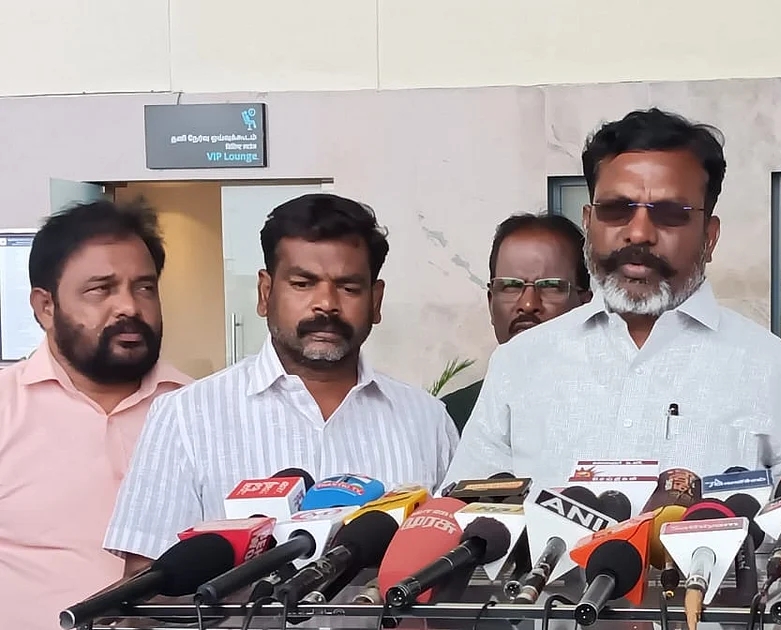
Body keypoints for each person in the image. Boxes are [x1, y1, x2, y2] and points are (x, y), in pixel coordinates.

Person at [445, 108, 781, 486]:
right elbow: (467, 518)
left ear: (710, 236)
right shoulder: (520, 366)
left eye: (669, 213)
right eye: (616, 209)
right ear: (588, 223)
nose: (639, 233)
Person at [104, 193, 458, 572]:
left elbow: (459, 567)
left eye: (349, 287)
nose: (326, 304)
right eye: (303, 284)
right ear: (265, 293)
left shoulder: (427, 421)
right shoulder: (185, 417)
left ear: (376, 300)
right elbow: (147, 581)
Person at [0, 200, 189, 630]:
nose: (129, 307)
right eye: (101, 290)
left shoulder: (200, 412)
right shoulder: (6, 409)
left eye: (144, 287)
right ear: (45, 307)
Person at [441, 213, 591, 432]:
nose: (528, 304)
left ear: (585, 305)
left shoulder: (616, 410)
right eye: (511, 286)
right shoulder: (449, 419)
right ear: (491, 302)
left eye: (550, 286)